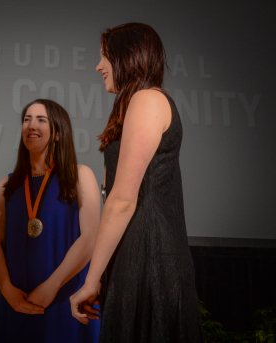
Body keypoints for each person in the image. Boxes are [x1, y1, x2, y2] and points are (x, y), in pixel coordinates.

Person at [70, 23, 204, 342]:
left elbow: (122, 201)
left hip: (150, 259)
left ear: (127, 57)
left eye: (105, 56)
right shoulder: (139, 102)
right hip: (141, 255)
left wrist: (91, 279)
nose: (98, 66)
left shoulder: (146, 100)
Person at [0, 99, 101, 343]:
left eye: (41, 120)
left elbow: (90, 239)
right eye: (27, 119)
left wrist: (53, 286)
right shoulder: (6, 186)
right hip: (17, 303)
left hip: (66, 299)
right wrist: (8, 291)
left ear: (58, 133)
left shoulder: (80, 175)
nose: (32, 125)